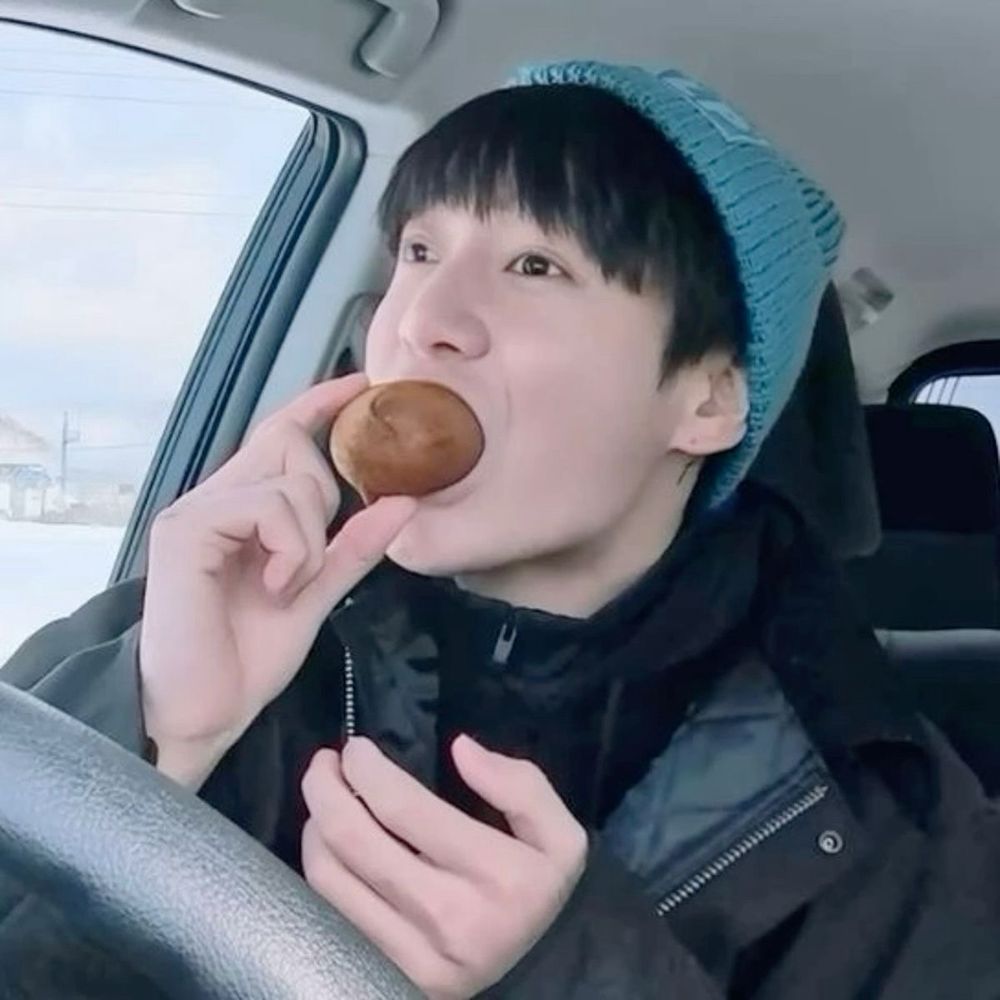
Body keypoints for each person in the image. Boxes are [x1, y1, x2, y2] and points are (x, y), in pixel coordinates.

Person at [3, 59, 1000, 1000]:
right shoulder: (184, 627)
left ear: (704, 401)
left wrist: (572, 972)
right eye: (419, 251)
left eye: (535, 264)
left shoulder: (875, 806)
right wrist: (153, 739)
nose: (422, 319)